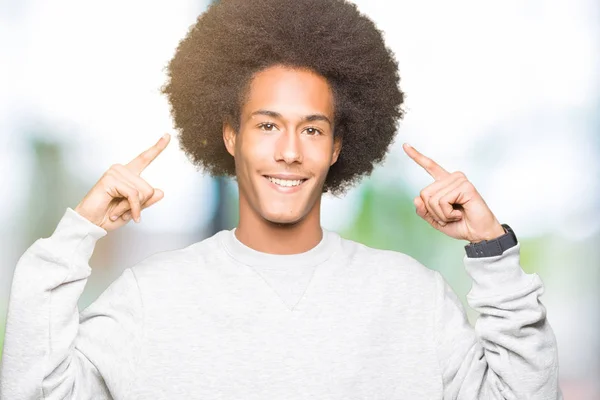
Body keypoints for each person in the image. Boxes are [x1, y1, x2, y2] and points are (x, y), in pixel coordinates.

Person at [0, 0, 562, 398]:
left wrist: (493, 250)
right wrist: (75, 236)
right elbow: (34, 390)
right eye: (267, 125)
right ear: (230, 135)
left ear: (339, 145)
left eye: (312, 129)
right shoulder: (152, 297)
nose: (290, 151)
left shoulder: (410, 297)